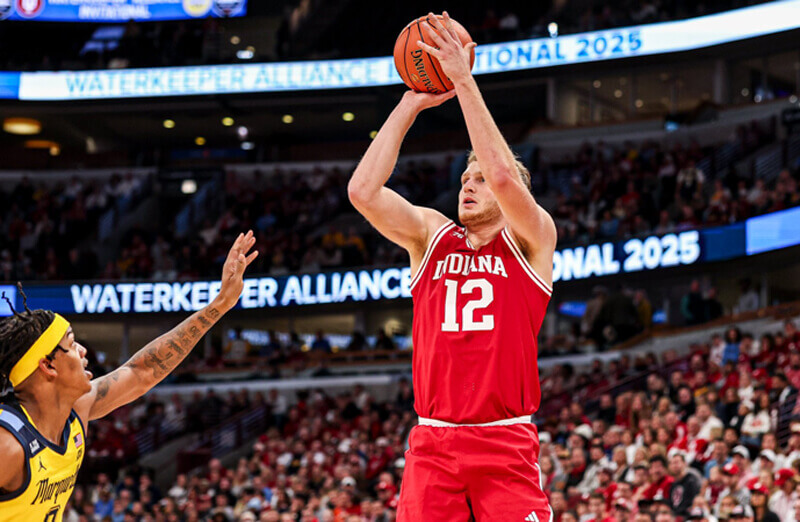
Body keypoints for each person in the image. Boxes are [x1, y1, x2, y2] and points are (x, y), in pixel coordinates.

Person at [348, 11, 556, 521]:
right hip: (433, 444)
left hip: (504, 443)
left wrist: (463, 81)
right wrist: (409, 104)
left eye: (479, 178)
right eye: (466, 175)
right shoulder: (431, 237)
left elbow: (507, 176)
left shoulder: (533, 239)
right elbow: (363, 192)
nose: (470, 183)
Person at [0, 232, 258, 521]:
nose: (84, 351)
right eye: (72, 345)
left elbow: (142, 370)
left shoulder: (75, 411)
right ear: (48, 366)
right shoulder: (8, 444)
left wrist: (219, 305)